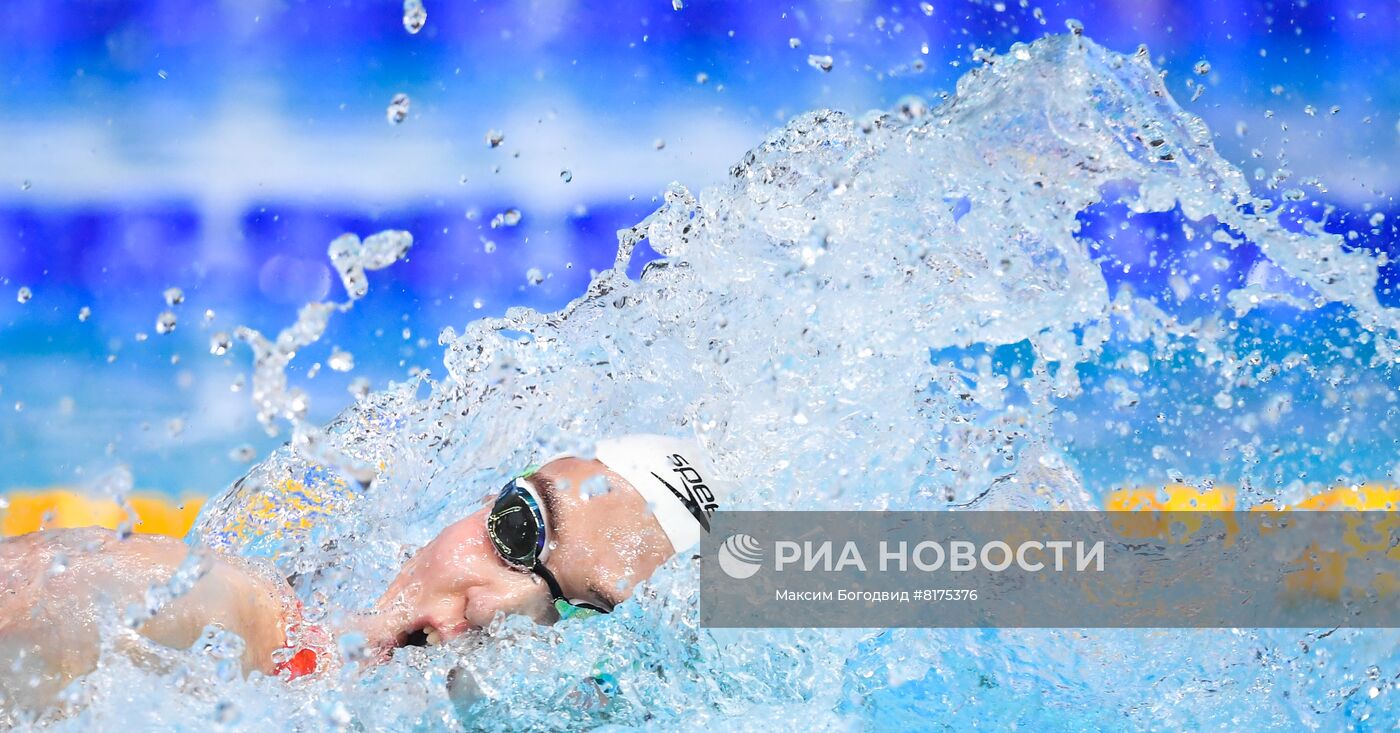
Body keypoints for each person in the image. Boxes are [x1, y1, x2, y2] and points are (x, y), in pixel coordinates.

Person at [0, 435, 721, 714]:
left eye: (577, 612)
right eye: (516, 528)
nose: (492, 606)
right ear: (478, 500)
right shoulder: (233, 625)